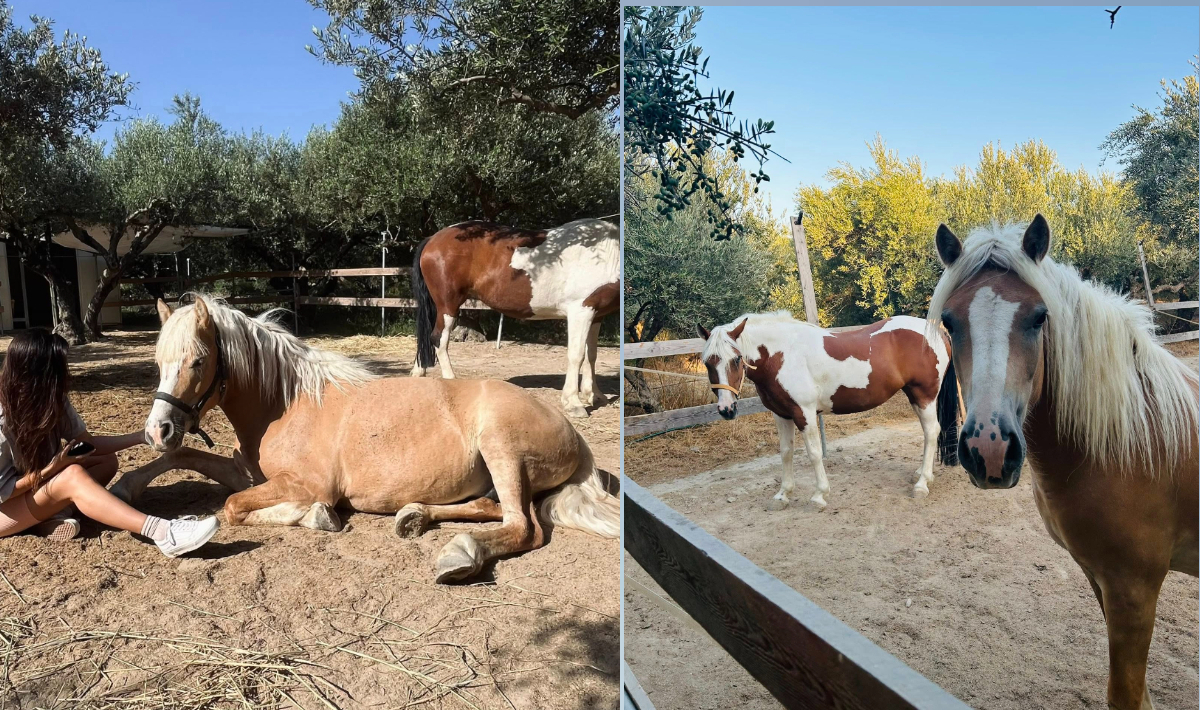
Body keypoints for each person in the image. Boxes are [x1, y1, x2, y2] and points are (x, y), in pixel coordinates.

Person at [0, 329, 218, 557]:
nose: (66, 374)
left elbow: (89, 444)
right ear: (36, 374)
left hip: (34, 489)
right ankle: (164, 533)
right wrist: (53, 468)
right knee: (72, 475)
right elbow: (4, 492)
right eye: (59, 368)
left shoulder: (51, 399)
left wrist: (139, 436)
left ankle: (49, 517)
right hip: (5, 510)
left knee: (105, 461)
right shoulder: (3, 420)